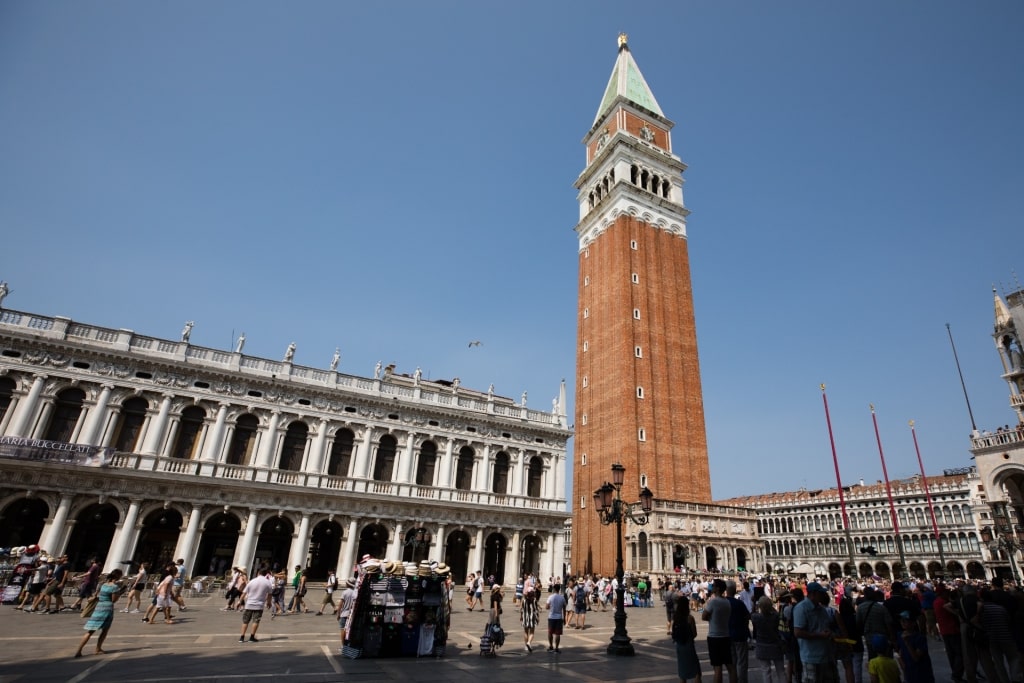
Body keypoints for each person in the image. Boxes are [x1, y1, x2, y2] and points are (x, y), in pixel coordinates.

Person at [792, 581, 839, 683]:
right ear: (813, 594)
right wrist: (819, 635)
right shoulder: (801, 608)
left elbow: (826, 627)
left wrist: (831, 634)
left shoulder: (821, 609)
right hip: (811, 657)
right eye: (820, 593)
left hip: (827, 655)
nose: (823, 595)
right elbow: (798, 633)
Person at [74, 569, 125, 658]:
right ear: (118, 576)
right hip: (107, 608)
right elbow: (113, 600)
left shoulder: (103, 585)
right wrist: (120, 593)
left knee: (90, 631)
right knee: (104, 630)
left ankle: (79, 650)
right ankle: (98, 648)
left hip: (99, 607)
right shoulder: (114, 587)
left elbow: (98, 595)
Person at [702, 578, 735, 683]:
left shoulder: (713, 602)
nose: (712, 587)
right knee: (730, 666)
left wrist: (710, 618)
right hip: (726, 636)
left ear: (717, 589)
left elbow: (704, 616)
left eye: (714, 585)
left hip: (714, 636)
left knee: (717, 667)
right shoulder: (727, 602)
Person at [751, 595, 786, 683]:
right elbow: (776, 614)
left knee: (766, 671)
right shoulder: (775, 617)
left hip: (762, 647)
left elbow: (752, 614)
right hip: (776, 645)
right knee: (781, 671)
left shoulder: (757, 618)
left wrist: (754, 603)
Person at [897, 610, 935, 683]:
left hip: (922, 674)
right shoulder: (900, 635)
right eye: (901, 620)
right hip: (910, 673)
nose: (902, 622)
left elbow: (916, 658)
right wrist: (902, 664)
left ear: (913, 623)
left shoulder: (920, 638)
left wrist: (907, 642)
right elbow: (901, 651)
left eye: (905, 620)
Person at [672, 591, 702, 683]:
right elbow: (694, 633)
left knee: (682, 672)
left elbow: (674, 632)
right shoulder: (690, 618)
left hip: (679, 645)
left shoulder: (676, 617)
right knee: (697, 671)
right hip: (689, 645)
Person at [726, 579, 752, 683]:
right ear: (735, 590)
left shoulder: (723, 603)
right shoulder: (739, 603)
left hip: (727, 635)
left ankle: (733, 680)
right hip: (740, 635)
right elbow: (747, 616)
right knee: (742, 662)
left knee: (732, 662)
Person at [239, 567, 273, 643]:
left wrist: (239, 602)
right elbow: (270, 595)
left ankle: (242, 637)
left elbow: (244, 593)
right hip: (259, 605)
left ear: (258, 573)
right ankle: (252, 637)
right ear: (265, 574)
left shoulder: (252, 581)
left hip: (249, 604)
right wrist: (269, 602)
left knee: (245, 621)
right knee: (256, 621)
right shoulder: (268, 582)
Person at [337, 577, 357, 651]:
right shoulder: (355, 593)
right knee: (350, 630)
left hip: (344, 614)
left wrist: (338, 614)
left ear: (347, 584)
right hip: (351, 614)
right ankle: (349, 645)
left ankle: (343, 646)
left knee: (343, 630)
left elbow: (340, 604)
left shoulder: (345, 592)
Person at [546, 583, 567, 653]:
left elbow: (547, 607)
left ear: (554, 589)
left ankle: (551, 646)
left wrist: (550, 607)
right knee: (558, 633)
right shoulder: (562, 597)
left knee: (550, 632)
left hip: (551, 616)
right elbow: (564, 608)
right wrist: (564, 619)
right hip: (559, 617)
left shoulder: (550, 597)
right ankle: (556, 648)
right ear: (559, 589)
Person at [521, 586, 539, 652]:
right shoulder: (534, 600)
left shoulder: (524, 600)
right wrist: (538, 617)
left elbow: (522, 610)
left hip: (525, 617)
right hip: (532, 618)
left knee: (525, 632)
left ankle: (526, 646)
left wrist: (521, 617)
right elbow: (536, 610)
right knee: (532, 632)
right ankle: (529, 643)